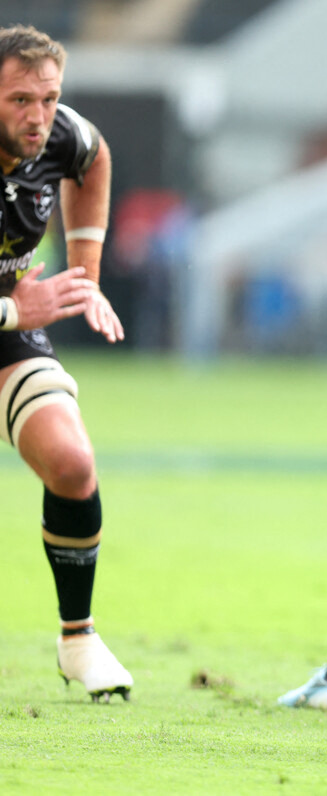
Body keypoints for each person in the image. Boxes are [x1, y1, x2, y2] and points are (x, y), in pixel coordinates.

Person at [0, 24, 129, 702]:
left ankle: (78, 639)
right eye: (20, 99)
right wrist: (18, 310)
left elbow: (96, 157)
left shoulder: (59, 136)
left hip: (9, 321)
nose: (38, 117)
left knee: (73, 463)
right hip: (11, 313)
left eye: (48, 99)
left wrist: (85, 271)